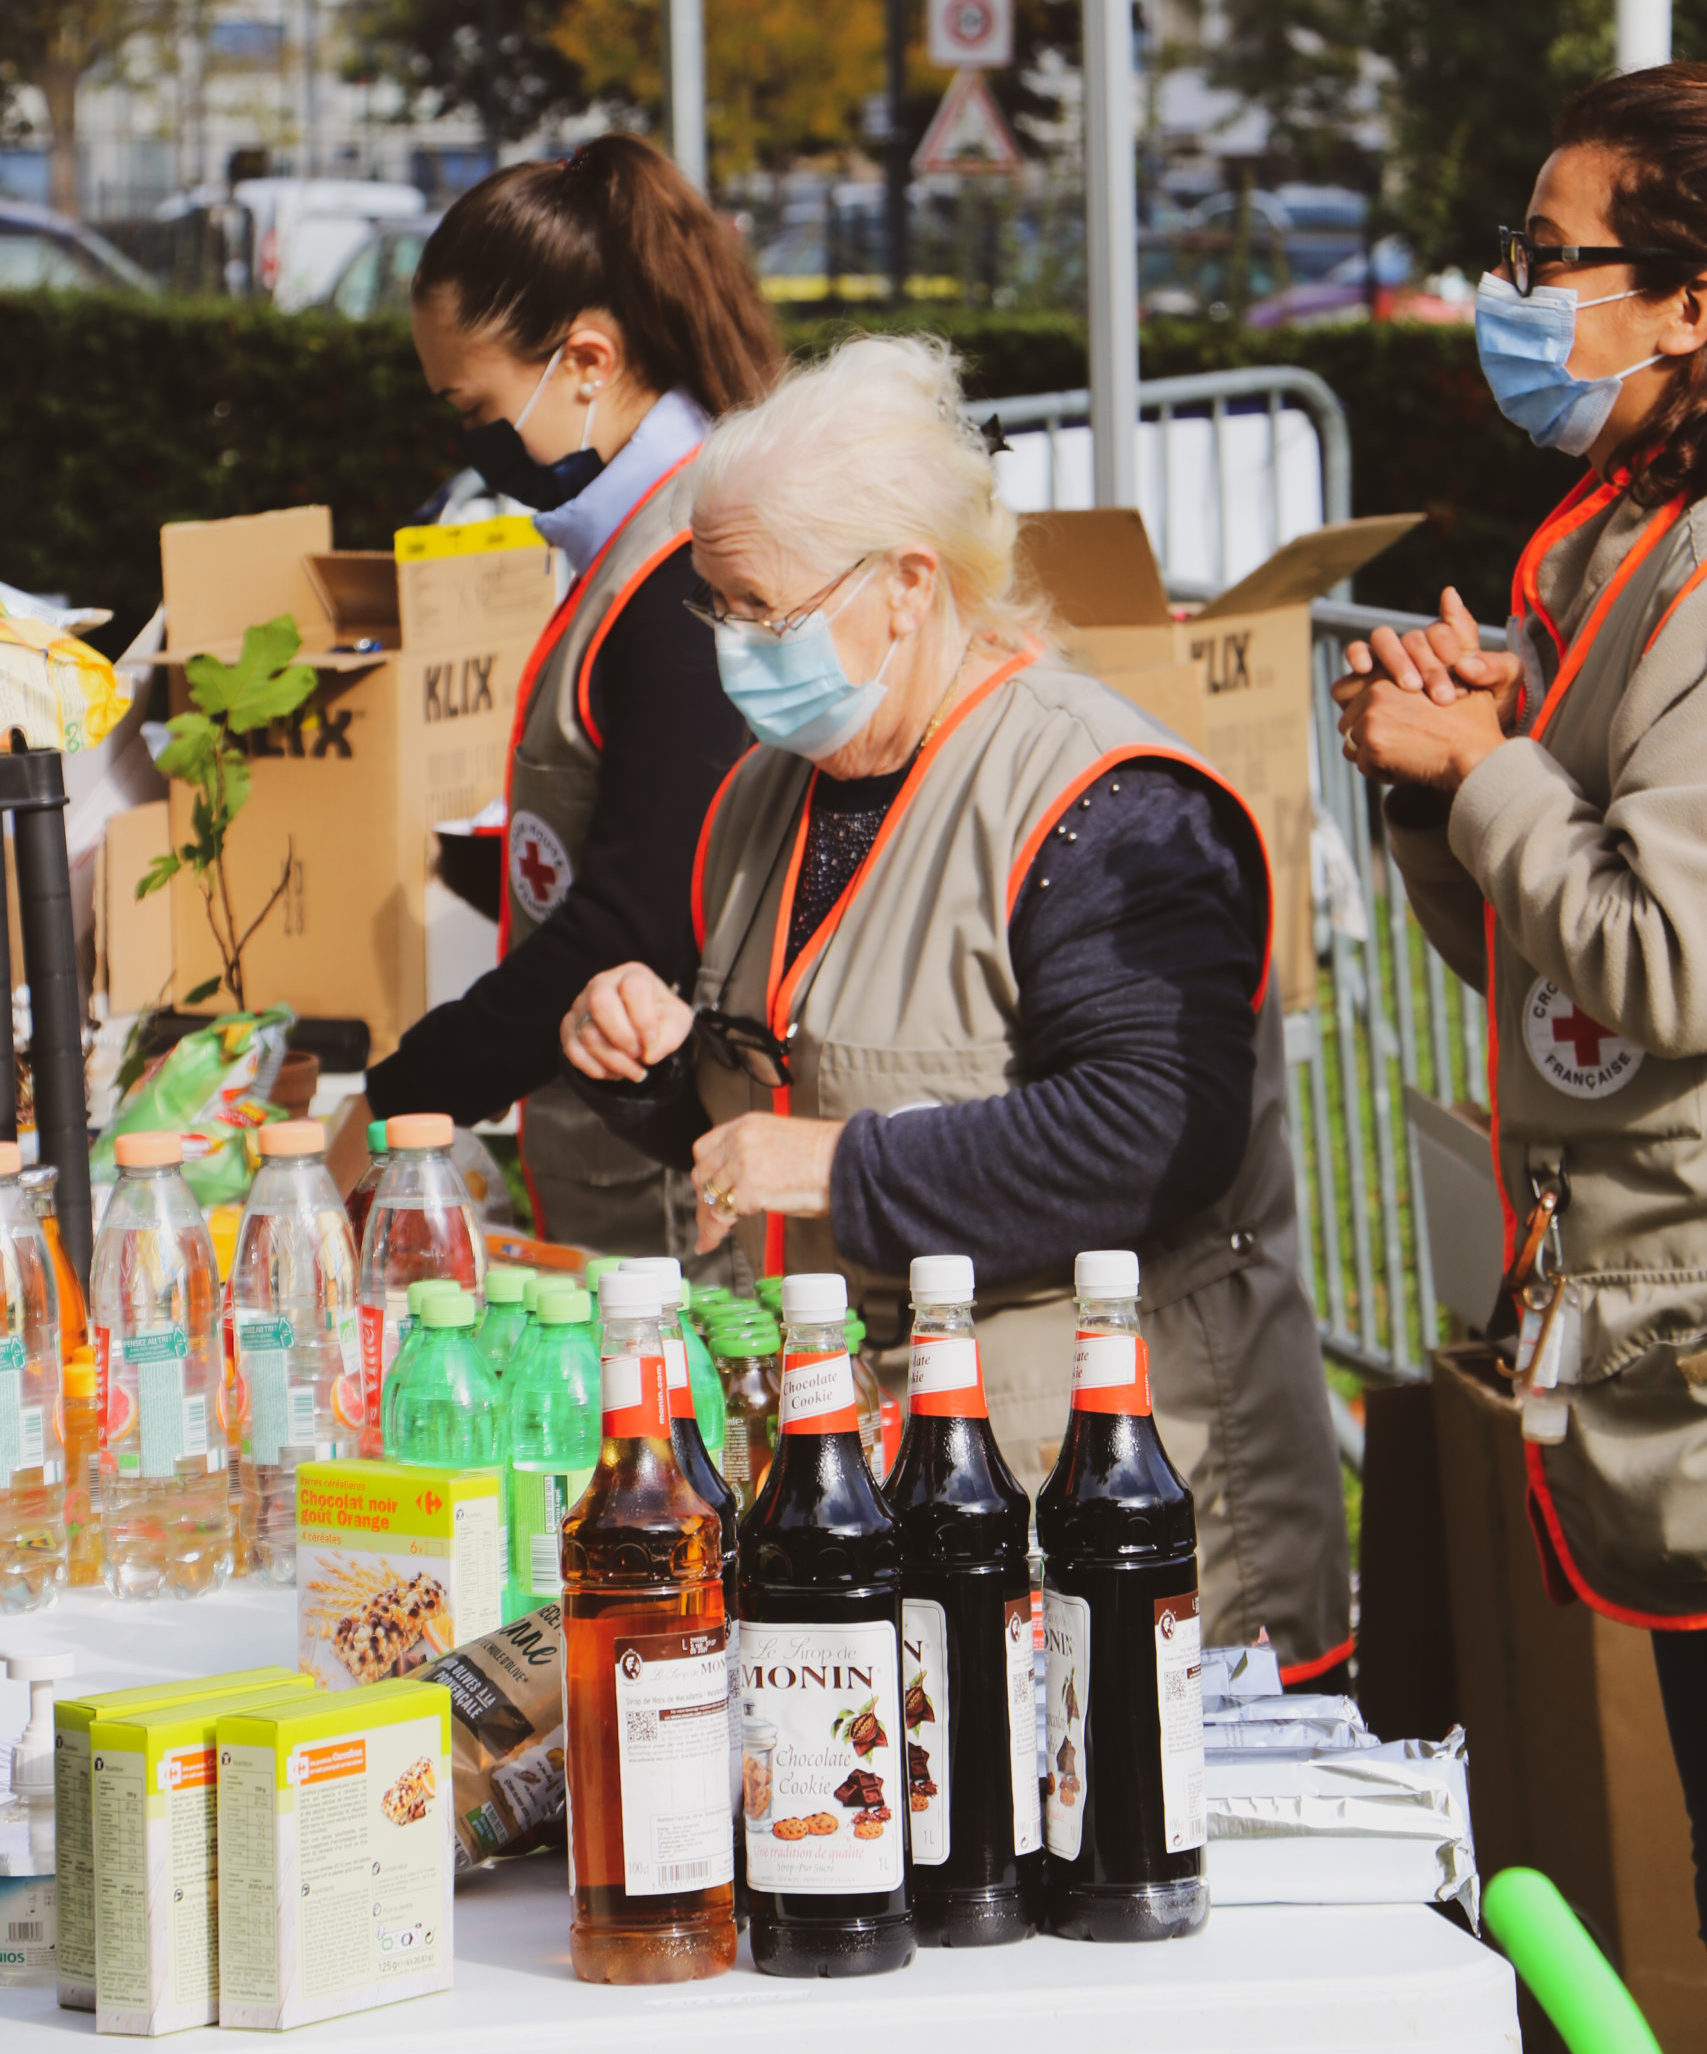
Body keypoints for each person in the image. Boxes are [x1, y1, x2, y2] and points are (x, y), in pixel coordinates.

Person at [561, 334, 1351, 1682]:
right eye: (715, 607)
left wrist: (840, 1166)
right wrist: (648, 1058)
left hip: (1116, 1527)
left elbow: (1157, 1129)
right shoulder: (775, 786)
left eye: (763, 610)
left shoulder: (1100, 797)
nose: (733, 649)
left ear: (907, 585)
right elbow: (785, 1081)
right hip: (893, 1499)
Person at [1331, 64, 1707, 1936]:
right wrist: (1443, 784)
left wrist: (1483, 766)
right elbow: (1549, 970)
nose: (1509, 294)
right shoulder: (1620, 536)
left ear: (1687, 303)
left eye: (1547, 259)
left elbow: (1665, 958)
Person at [328, 137, 778, 1252]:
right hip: (627, 1158)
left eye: (473, 404)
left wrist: (397, 1103)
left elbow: (639, 915)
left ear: (585, 360)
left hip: (673, 1189)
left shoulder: (686, 574)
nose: (473, 441)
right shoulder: (644, 542)